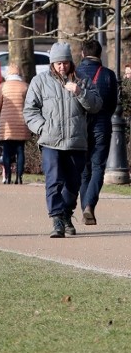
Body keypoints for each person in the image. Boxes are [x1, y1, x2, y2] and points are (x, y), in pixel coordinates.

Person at [23, 42, 102, 238]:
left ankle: (66, 214)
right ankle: (57, 218)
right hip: (51, 141)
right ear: (52, 64)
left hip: (76, 142)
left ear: (70, 62)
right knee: (53, 181)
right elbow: (30, 110)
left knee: (73, 184)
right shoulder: (39, 81)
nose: (62, 66)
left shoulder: (82, 80)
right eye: (58, 63)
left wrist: (79, 92)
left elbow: (96, 105)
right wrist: (42, 128)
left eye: (65, 62)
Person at [75, 39, 118, 226]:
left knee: (84, 171)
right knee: (98, 167)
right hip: (102, 124)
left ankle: (86, 204)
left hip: (81, 125)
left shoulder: (75, 73)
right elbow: (113, 103)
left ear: (83, 54)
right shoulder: (108, 75)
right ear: (100, 54)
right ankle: (89, 206)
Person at [0, 63, 29, 185]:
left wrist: (3, 111)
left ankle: (8, 176)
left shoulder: (3, 86)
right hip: (21, 122)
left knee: (7, 151)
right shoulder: (25, 86)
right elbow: (29, 104)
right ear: (19, 73)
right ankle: (19, 177)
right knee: (20, 150)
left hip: (7, 124)